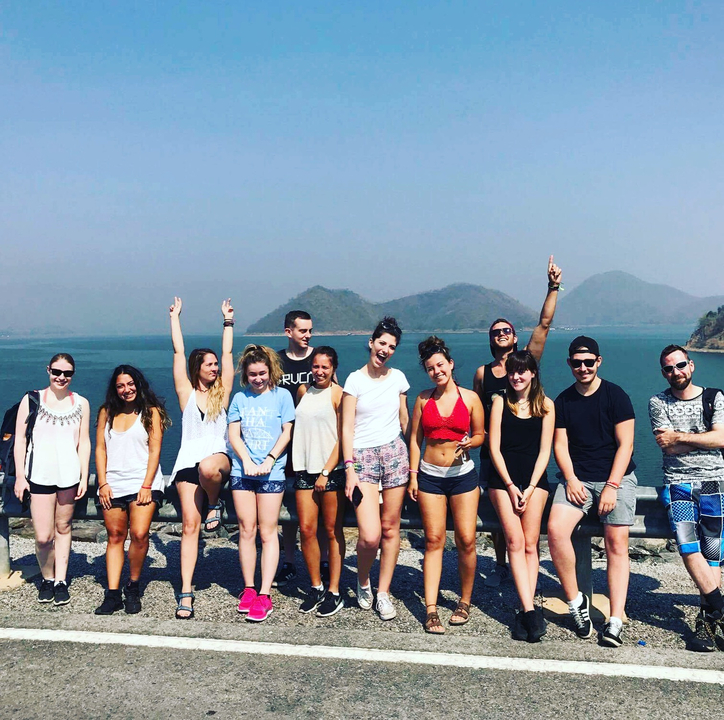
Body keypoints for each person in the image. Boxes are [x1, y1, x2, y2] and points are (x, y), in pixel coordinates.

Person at [473, 255, 562, 588]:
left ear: (514, 338)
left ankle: (523, 570)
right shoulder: (483, 373)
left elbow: (544, 324)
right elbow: (478, 412)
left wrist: (553, 287)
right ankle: (501, 564)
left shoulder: (526, 362)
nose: (500, 334)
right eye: (495, 331)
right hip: (493, 454)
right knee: (501, 519)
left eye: (506, 331)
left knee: (523, 523)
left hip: (525, 453)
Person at [547, 336, 637, 648]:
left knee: (616, 542)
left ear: (599, 361)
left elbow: (626, 444)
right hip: (580, 479)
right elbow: (560, 444)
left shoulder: (615, 395)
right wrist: (570, 479)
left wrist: (612, 485)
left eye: (589, 362)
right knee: (556, 531)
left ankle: (615, 618)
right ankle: (576, 603)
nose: (583, 367)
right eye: (576, 362)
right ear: (569, 364)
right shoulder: (563, 400)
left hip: (617, 477)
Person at [649, 344, 724, 652]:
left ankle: (709, 621)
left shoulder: (714, 397)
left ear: (691, 366)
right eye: (668, 368)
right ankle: (721, 608)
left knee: (713, 554)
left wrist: (681, 437)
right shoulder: (658, 401)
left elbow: (720, 438)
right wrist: (703, 439)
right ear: (663, 372)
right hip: (677, 484)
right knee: (688, 547)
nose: (675, 372)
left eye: (680, 365)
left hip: (715, 482)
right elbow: (666, 448)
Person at [408, 337, 484, 634]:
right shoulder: (423, 399)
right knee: (433, 540)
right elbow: (415, 439)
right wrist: (413, 475)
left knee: (466, 540)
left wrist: (471, 442)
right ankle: (430, 608)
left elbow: (481, 434)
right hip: (429, 476)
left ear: (450, 365)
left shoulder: (470, 398)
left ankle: (464, 601)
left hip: (462, 476)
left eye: (440, 364)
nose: (436, 371)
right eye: (430, 368)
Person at [169, 297, 235, 619]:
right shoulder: (186, 393)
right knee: (189, 528)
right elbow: (179, 353)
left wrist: (227, 322)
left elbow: (228, 354)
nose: (214, 367)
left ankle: (214, 503)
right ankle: (186, 591)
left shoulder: (222, 392)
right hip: (186, 465)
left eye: (214, 364)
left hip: (218, 461)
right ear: (199, 368)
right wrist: (175, 318)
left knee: (209, 466)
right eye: (208, 364)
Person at [342, 317, 410, 621]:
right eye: (381, 343)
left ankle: (383, 592)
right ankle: (363, 579)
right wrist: (349, 469)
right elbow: (345, 429)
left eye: (391, 346)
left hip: (395, 453)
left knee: (391, 528)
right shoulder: (354, 380)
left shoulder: (398, 379)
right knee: (369, 535)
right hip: (363, 458)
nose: (385, 349)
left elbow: (406, 420)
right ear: (371, 342)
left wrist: (421, 451)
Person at [13, 353, 91, 606]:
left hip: (68, 476)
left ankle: (60, 580)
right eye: (57, 371)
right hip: (39, 476)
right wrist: (20, 477)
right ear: (48, 370)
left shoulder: (81, 403)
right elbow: (20, 440)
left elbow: (84, 442)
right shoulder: (32, 399)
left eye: (67, 373)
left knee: (64, 528)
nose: (61, 377)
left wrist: (83, 475)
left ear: (73, 375)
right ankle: (46, 578)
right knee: (44, 536)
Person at [488, 351, 554, 642]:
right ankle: (528, 610)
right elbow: (494, 448)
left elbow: (544, 452)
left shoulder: (546, 406)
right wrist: (512, 485)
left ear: (533, 374)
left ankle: (526, 606)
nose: (517, 376)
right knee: (514, 541)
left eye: (522, 371)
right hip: (503, 481)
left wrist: (529, 487)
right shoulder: (500, 402)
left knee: (530, 544)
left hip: (535, 482)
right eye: (513, 371)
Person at [94, 365, 171, 615]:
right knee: (115, 536)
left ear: (138, 384)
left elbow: (155, 451)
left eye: (130, 384)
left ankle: (133, 586)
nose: (126, 390)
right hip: (113, 484)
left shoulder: (151, 412)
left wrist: (147, 485)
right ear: (114, 389)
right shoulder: (106, 412)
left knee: (138, 534)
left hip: (143, 482)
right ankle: (113, 593)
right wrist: (102, 483)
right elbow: (100, 449)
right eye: (120, 385)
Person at [228, 345, 295, 623]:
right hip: (242, 472)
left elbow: (287, 432)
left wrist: (269, 459)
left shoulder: (282, 397)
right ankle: (248, 588)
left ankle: (265, 594)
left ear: (271, 372)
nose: (258, 379)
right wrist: (246, 461)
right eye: (253, 374)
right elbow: (234, 434)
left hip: (272, 472)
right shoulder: (239, 399)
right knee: (246, 530)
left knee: (268, 532)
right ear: (246, 374)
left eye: (262, 373)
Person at [293, 346, 346, 617]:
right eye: (315, 366)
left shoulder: (338, 395)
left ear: (333, 368)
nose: (319, 371)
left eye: (325, 367)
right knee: (307, 529)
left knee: (332, 530)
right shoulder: (303, 392)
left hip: (331, 472)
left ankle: (335, 591)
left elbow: (343, 437)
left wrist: (326, 471)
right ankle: (315, 585)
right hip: (304, 470)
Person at [274, 310, 315, 588]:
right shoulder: (276, 360)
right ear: (289, 332)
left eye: (310, 330)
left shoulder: (318, 358)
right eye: (302, 331)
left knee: (317, 505)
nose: (307, 335)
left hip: (313, 442)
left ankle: (321, 561)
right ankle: (289, 561)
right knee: (288, 504)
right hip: (284, 441)